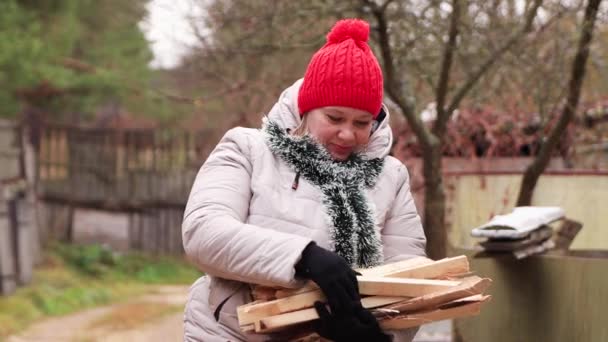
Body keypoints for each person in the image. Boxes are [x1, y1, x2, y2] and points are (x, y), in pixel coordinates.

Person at [182, 18, 427, 342]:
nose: (347, 133)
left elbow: (411, 276)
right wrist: (303, 258)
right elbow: (204, 233)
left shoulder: (391, 177)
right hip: (232, 334)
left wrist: (375, 337)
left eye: (362, 122)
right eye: (334, 118)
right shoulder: (248, 149)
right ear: (307, 108)